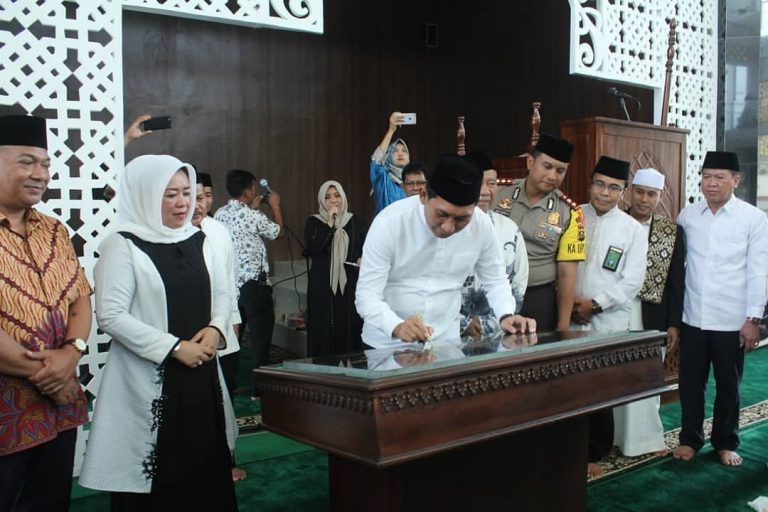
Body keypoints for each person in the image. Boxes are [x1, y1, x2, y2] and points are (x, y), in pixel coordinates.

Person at [79, 155, 237, 510]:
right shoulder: (122, 244)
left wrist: (216, 327)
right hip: (151, 378)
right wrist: (174, 347)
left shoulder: (198, 238)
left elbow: (222, 291)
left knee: (205, 465)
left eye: (186, 192)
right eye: (170, 194)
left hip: (201, 375)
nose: (183, 202)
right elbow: (111, 315)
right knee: (158, 477)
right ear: (145, 195)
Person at [0, 114, 93, 511]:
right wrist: (53, 377)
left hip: (58, 409)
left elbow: (80, 298)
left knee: (51, 500)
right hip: (7, 412)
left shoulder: (54, 230)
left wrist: (72, 352)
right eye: (26, 162)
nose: (40, 174)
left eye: (45, 164)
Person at [355, 154, 536, 349]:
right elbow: (367, 295)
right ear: (423, 195)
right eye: (442, 214)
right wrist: (396, 326)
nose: (449, 228)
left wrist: (506, 315)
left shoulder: (481, 225)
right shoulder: (389, 223)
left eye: (461, 219)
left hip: (445, 342)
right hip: (386, 343)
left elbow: (496, 280)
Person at [673, 151, 768, 467]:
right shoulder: (688, 216)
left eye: (719, 177)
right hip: (693, 317)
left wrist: (752, 318)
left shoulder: (753, 219)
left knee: (728, 386)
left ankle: (725, 442)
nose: (711, 183)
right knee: (690, 384)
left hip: (731, 320)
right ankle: (690, 439)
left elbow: (758, 272)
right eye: (706, 177)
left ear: (736, 180)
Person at [570, 156, 648, 479]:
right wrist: (569, 305)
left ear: (623, 191)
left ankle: (594, 453)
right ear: (590, 184)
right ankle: (569, 447)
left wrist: (596, 305)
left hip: (607, 320)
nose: (605, 192)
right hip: (569, 317)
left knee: (599, 388)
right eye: (600, 184)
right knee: (570, 387)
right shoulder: (574, 216)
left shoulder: (632, 229)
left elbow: (632, 281)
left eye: (614, 187)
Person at [613, 167, 685, 457]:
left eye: (651, 195)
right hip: (614, 311)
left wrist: (674, 324)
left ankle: (644, 441)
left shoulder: (671, 231)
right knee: (615, 376)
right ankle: (612, 438)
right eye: (640, 192)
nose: (644, 200)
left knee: (646, 378)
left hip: (653, 316)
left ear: (659, 197)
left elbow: (677, 282)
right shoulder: (614, 222)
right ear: (630, 192)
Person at [493, 133, 585, 332]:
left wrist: (563, 326)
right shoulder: (498, 193)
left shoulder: (570, 212)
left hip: (538, 298)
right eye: (547, 166)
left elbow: (567, 273)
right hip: (494, 293)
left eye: (560, 171)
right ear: (530, 162)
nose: (552, 176)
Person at [191, 175, 246, 482]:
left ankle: (227, 459)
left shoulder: (218, 230)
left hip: (223, 330)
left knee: (224, 399)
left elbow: (229, 280)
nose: (198, 204)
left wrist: (233, 322)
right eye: (193, 197)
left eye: (203, 197)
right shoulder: (168, 235)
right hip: (189, 335)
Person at [214, 169, 282, 397]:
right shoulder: (254, 216)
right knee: (261, 340)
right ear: (247, 192)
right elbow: (278, 232)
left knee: (234, 339)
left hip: (231, 287)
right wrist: (275, 206)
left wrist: (252, 208)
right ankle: (258, 391)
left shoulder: (220, 214)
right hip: (255, 286)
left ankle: (228, 386)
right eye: (253, 188)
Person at [460, 151, 529, 337]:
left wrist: (489, 324)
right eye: (479, 183)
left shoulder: (510, 229)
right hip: (448, 334)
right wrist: (462, 324)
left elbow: (518, 284)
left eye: (491, 183)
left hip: (499, 332)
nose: (485, 191)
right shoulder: (447, 227)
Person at [304, 180, 367, 356]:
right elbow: (314, 249)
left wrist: (363, 258)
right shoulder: (314, 222)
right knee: (323, 328)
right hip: (322, 285)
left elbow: (367, 247)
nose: (333, 200)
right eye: (328, 197)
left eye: (337, 195)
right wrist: (330, 223)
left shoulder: (356, 221)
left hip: (350, 284)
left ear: (343, 197)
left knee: (351, 326)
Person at [370, 111, 411, 214]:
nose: (400, 153)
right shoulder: (383, 179)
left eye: (404, 151)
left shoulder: (413, 183)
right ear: (388, 157)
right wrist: (391, 130)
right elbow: (376, 160)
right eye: (395, 151)